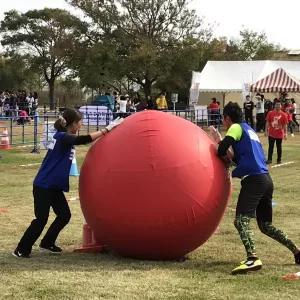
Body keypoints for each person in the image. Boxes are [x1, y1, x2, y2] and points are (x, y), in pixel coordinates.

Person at [13, 108, 124, 258]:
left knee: (64, 215)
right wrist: (107, 129)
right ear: (73, 123)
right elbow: (82, 140)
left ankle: (47, 243)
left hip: (53, 186)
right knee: (41, 219)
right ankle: (21, 249)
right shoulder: (62, 137)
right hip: (44, 185)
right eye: (80, 123)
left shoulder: (63, 136)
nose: (81, 125)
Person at [210, 101, 300, 275]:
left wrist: (217, 139)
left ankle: (252, 258)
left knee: (240, 221)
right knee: (266, 226)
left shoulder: (235, 128)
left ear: (228, 118)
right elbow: (237, 157)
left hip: (254, 180)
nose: (224, 122)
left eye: (224, 119)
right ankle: (297, 252)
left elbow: (221, 150)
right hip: (266, 179)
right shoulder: (249, 130)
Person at [265, 100, 288, 164]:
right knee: (271, 146)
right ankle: (269, 159)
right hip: (271, 133)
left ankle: (279, 159)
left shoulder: (283, 114)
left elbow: (285, 124)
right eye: (276, 104)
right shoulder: (270, 113)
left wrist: (285, 133)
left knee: (279, 147)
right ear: (274, 105)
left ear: (281, 106)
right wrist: (266, 131)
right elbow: (267, 122)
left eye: (279, 104)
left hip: (279, 133)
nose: (278, 106)